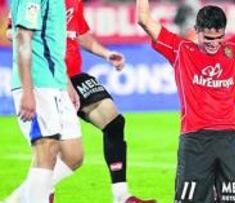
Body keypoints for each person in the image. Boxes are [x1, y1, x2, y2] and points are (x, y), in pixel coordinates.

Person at [4, 0, 156, 203]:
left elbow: (79, 34)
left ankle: (121, 195)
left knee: (81, 149)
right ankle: (34, 194)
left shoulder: (71, 2)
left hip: (65, 76)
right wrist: (28, 89)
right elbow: (16, 33)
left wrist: (105, 54)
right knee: (47, 148)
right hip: (41, 78)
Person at [137, 0, 235, 202]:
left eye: (219, 37)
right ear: (196, 30)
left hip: (230, 139)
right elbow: (144, 20)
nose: (214, 43)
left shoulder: (233, 49)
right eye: (208, 38)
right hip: (195, 140)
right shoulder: (180, 50)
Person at [8, 0, 84, 202]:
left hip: (56, 81)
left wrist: (65, 81)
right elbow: (23, 37)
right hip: (38, 82)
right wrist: (27, 90)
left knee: (73, 155)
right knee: (46, 150)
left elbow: (52, 41)